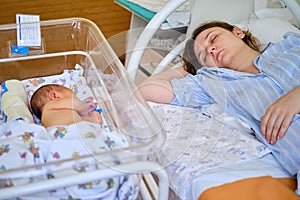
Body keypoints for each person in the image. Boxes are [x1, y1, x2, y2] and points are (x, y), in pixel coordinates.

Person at [138, 20, 300, 177]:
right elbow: (145, 90)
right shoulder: (213, 84)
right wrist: (187, 68)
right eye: (203, 55)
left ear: (238, 32)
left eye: (213, 38)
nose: (211, 49)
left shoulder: (290, 46)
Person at [30, 84, 102, 128]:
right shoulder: (49, 106)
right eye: (73, 95)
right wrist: (84, 106)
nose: (76, 98)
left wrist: (93, 118)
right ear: (54, 96)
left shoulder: (46, 120)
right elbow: (74, 104)